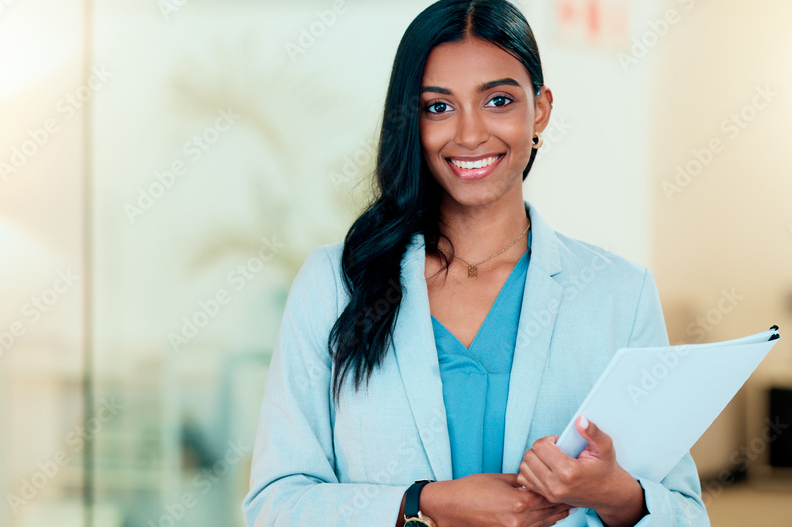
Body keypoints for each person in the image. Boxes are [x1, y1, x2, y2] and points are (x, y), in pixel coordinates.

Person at [242, 1, 709, 525]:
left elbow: (685, 514)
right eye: (438, 107)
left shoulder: (619, 294)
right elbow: (276, 505)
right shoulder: (333, 284)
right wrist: (428, 504)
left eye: (499, 101)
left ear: (540, 111)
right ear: (410, 122)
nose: (468, 134)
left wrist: (616, 495)